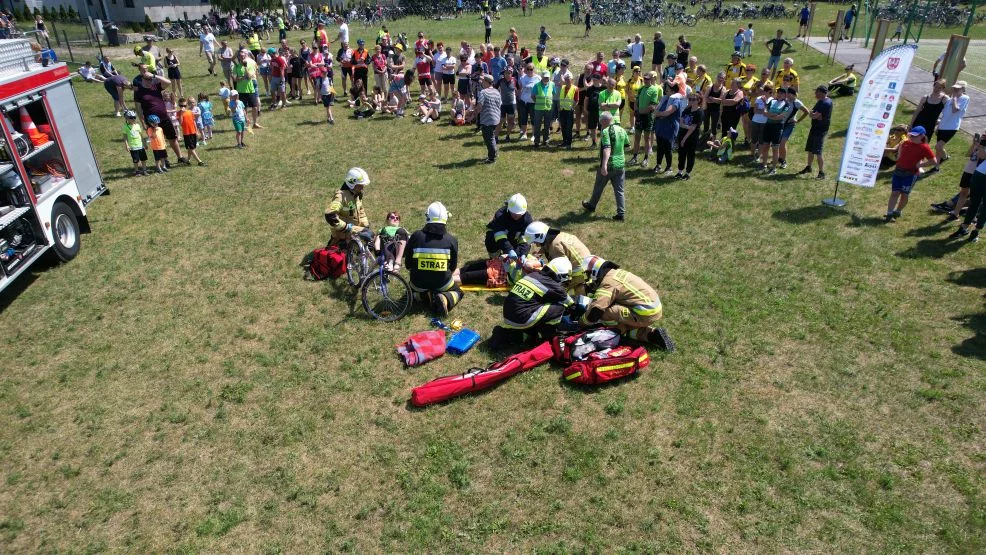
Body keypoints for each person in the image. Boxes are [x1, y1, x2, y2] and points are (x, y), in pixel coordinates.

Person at [580, 255, 673, 351]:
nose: (587, 276)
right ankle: (651, 334)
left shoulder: (607, 284)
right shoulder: (615, 274)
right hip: (653, 309)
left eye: (588, 273)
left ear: (594, 271)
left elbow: (596, 311)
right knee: (625, 323)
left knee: (605, 313)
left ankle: (615, 333)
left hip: (643, 312)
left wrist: (581, 323)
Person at [493, 257, 575, 346]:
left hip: (508, 315)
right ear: (561, 276)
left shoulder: (533, 275)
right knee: (559, 308)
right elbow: (570, 303)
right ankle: (549, 335)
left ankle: (518, 334)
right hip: (521, 318)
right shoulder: (554, 286)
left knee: (542, 307)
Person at [404, 202, 463, 316]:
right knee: (458, 292)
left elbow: (408, 264)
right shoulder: (452, 240)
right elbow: (453, 267)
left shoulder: (416, 236)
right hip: (442, 284)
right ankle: (445, 298)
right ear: (445, 219)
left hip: (418, 283)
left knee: (411, 291)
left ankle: (421, 295)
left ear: (427, 218)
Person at [133, 65, 185, 163]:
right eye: (147, 79)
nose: (150, 81)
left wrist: (154, 76)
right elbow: (138, 108)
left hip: (164, 118)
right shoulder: (138, 92)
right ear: (142, 80)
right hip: (151, 121)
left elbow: (168, 82)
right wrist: (143, 122)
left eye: (150, 79)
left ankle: (180, 157)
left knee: (172, 138)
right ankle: (164, 160)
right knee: (158, 141)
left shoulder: (156, 87)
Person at [582, 112, 628, 221]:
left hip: (610, 165)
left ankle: (592, 205)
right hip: (620, 165)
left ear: (604, 121)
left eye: (601, 121)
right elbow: (627, 145)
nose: (600, 124)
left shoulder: (606, 131)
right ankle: (621, 213)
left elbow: (607, 149)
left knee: (599, 185)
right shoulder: (621, 129)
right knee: (619, 190)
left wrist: (604, 165)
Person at [886, 126, 937, 222]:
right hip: (898, 171)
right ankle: (889, 213)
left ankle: (898, 210)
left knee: (904, 195)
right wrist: (899, 160)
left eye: (915, 136)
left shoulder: (924, 147)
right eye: (911, 135)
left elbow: (934, 161)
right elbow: (900, 152)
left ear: (922, 136)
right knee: (894, 193)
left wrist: (921, 164)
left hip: (910, 174)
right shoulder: (905, 142)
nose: (912, 137)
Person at [524, 222, 591, 294]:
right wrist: (539, 253)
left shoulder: (555, 246)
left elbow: (559, 269)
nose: (536, 245)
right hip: (587, 266)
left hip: (579, 274)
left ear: (540, 236)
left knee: (559, 291)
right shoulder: (557, 236)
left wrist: (542, 270)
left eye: (535, 242)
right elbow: (548, 245)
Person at [947, 136, 986, 242]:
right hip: (980, 174)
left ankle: (975, 231)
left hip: (980, 174)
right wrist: (982, 144)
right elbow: (982, 155)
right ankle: (964, 228)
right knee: (974, 203)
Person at [325, 167, 370, 247]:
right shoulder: (341, 196)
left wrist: (365, 225)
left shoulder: (357, 195)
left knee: (369, 236)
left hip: (353, 232)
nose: (362, 187)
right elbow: (330, 216)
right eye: (360, 185)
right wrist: (345, 227)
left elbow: (361, 211)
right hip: (342, 235)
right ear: (352, 184)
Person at [797, 85, 832, 179]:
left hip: (820, 130)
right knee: (810, 149)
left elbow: (813, 115)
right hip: (815, 128)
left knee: (818, 152)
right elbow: (812, 113)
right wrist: (814, 114)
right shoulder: (821, 101)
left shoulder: (825, 103)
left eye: (816, 92)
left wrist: (814, 115)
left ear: (821, 93)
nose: (815, 94)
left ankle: (821, 173)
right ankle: (809, 167)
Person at [934, 82, 970, 170]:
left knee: (938, 146)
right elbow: (945, 114)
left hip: (951, 127)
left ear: (963, 89)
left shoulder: (965, 98)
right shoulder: (950, 99)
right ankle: (937, 166)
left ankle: (943, 159)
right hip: (943, 126)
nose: (955, 90)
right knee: (939, 148)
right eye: (954, 88)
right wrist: (939, 125)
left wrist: (954, 99)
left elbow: (955, 110)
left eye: (958, 89)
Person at [628, 71, 659, 167]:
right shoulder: (641, 89)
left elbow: (652, 106)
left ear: (651, 79)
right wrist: (637, 112)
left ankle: (646, 158)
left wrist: (641, 112)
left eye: (648, 79)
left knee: (647, 138)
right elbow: (636, 101)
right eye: (645, 79)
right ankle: (635, 157)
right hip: (639, 116)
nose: (646, 81)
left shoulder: (654, 90)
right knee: (637, 137)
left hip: (648, 117)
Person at [486, 193, 532, 258]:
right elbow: (499, 236)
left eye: (518, 214)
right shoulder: (500, 215)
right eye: (513, 213)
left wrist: (523, 253)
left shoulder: (527, 220)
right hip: (495, 235)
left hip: (514, 236)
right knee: (491, 242)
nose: (516, 216)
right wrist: (509, 249)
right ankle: (495, 258)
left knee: (518, 254)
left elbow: (526, 238)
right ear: (508, 209)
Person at [674, 93, 703, 180]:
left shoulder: (699, 112)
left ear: (698, 101)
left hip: (692, 137)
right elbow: (681, 123)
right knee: (681, 154)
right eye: (689, 99)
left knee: (690, 155)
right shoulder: (687, 110)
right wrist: (686, 127)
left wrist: (684, 139)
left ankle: (687, 173)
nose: (690, 101)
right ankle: (680, 172)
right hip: (682, 134)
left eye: (693, 99)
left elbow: (693, 128)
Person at [232, 49, 262, 130]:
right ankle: (247, 123)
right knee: (243, 108)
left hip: (250, 89)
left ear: (246, 55)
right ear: (238, 57)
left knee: (255, 106)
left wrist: (245, 69)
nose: (242, 57)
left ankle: (255, 123)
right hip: (241, 90)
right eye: (240, 56)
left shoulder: (251, 63)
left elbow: (250, 76)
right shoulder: (237, 66)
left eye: (243, 56)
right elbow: (235, 79)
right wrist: (242, 77)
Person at [477, 74, 501, 163]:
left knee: (489, 139)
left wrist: (473, 115)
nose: (482, 83)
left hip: (487, 119)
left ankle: (491, 158)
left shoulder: (483, 92)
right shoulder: (497, 91)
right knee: (492, 137)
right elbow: (499, 105)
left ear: (486, 82)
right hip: (496, 118)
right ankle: (495, 153)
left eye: (483, 81)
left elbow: (480, 106)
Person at [122, 110, 149, 176]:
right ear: (127, 118)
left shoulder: (137, 125)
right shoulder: (125, 127)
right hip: (133, 147)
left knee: (143, 159)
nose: (133, 119)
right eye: (131, 118)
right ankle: (137, 171)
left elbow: (141, 135)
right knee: (136, 160)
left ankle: (144, 170)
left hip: (140, 145)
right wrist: (127, 145)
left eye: (134, 117)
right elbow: (125, 137)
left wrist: (144, 143)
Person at [531, 71, 554, 147]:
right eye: (545, 77)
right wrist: (537, 102)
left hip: (548, 108)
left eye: (547, 77)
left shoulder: (552, 84)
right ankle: (536, 142)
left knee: (547, 126)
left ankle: (546, 141)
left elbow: (553, 93)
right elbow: (533, 96)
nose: (546, 78)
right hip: (538, 109)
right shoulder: (536, 85)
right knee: (537, 126)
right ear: (542, 77)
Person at [557, 73, 579, 149]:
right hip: (562, 110)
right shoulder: (562, 87)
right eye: (566, 80)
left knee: (569, 127)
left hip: (569, 111)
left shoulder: (575, 88)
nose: (567, 81)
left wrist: (573, 107)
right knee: (563, 126)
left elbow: (576, 100)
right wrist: (559, 106)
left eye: (568, 80)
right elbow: (561, 98)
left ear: (572, 80)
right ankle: (564, 142)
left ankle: (569, 144)